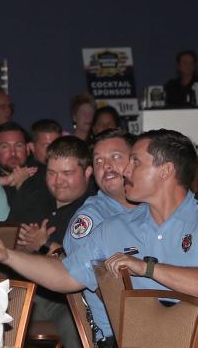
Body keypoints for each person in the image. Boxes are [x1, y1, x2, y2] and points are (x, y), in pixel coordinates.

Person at [0, 129, 198, 347]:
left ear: (165, 171)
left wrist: (146, 268)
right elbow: (65, 275)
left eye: (135, 162)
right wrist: (9, 256)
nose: (125, 170)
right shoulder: (114, 228)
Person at [61, 128, 138, 345]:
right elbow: (108, 291)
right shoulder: (91, 219)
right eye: (98, 161)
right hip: (122, 333)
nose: (106, 166)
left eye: (115, 157)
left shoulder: (153, 209)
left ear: (135, 163)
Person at [17, 136, 94, 348]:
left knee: (75, 324)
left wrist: (45, 244)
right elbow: (8, 233)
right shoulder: (33, 189)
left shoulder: (95, 207)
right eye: (51, 173)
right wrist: (19, 245)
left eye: (67, 173)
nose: (58, 181)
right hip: (21, 287)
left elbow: (84, 270)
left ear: (87, 172)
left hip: (67, 299)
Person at [0, 122, 53, 224]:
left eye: (18, 146)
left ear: (27, 149)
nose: (13, 153)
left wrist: (23, 187)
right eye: (5, 147)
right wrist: (1, 181)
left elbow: (41, 218)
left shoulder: (44, 175)